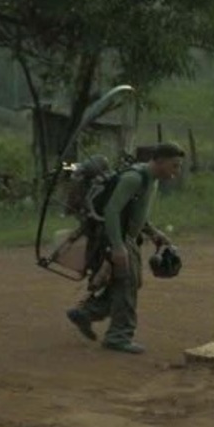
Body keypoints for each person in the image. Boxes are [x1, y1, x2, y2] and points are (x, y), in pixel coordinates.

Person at [64, 142, 184, 355]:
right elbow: (112, 211)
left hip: (127, 237)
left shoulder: (150, 180)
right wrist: (118, 247)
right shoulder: (134, 178)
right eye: (174, 165)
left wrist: (154, 233)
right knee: (126, 285)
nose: (176, 171)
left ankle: (87, 312)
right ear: (160, 161)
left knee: (128, 283)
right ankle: (118, 336)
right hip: (115, 237)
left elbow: (135, 213)